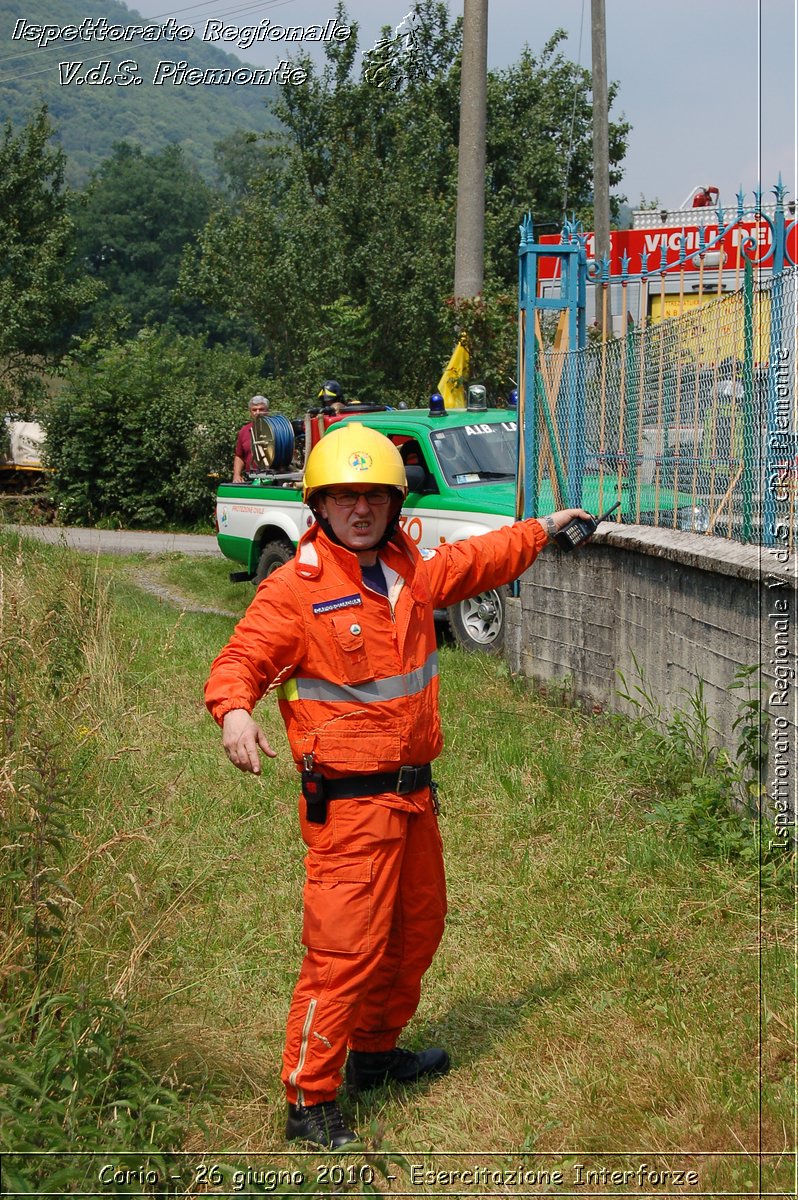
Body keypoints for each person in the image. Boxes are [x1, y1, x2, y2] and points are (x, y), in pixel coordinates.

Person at [205, 424, 592, 1150]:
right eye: (345, 497)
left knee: (415, 931)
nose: (360, 509)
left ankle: (374, 1056)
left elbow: (479, 559)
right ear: (320, 505)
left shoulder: (411, 570)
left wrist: (544, 528)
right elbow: (242, 658)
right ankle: (309, 1100)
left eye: (373, 496)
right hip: (349, 809)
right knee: (343, 951)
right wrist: (234, 712)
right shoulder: (296, 590)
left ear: (392, 503)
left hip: (414, 798)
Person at [233, 395, 270, 482]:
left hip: (275, 478)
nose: (257, 412)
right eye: (254, 410)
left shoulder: (277, 429)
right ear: (250, 412)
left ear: (267, 411)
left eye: (261, 409)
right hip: (252, 478)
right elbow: (239, 456)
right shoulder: (244, 430)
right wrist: (236, 475)